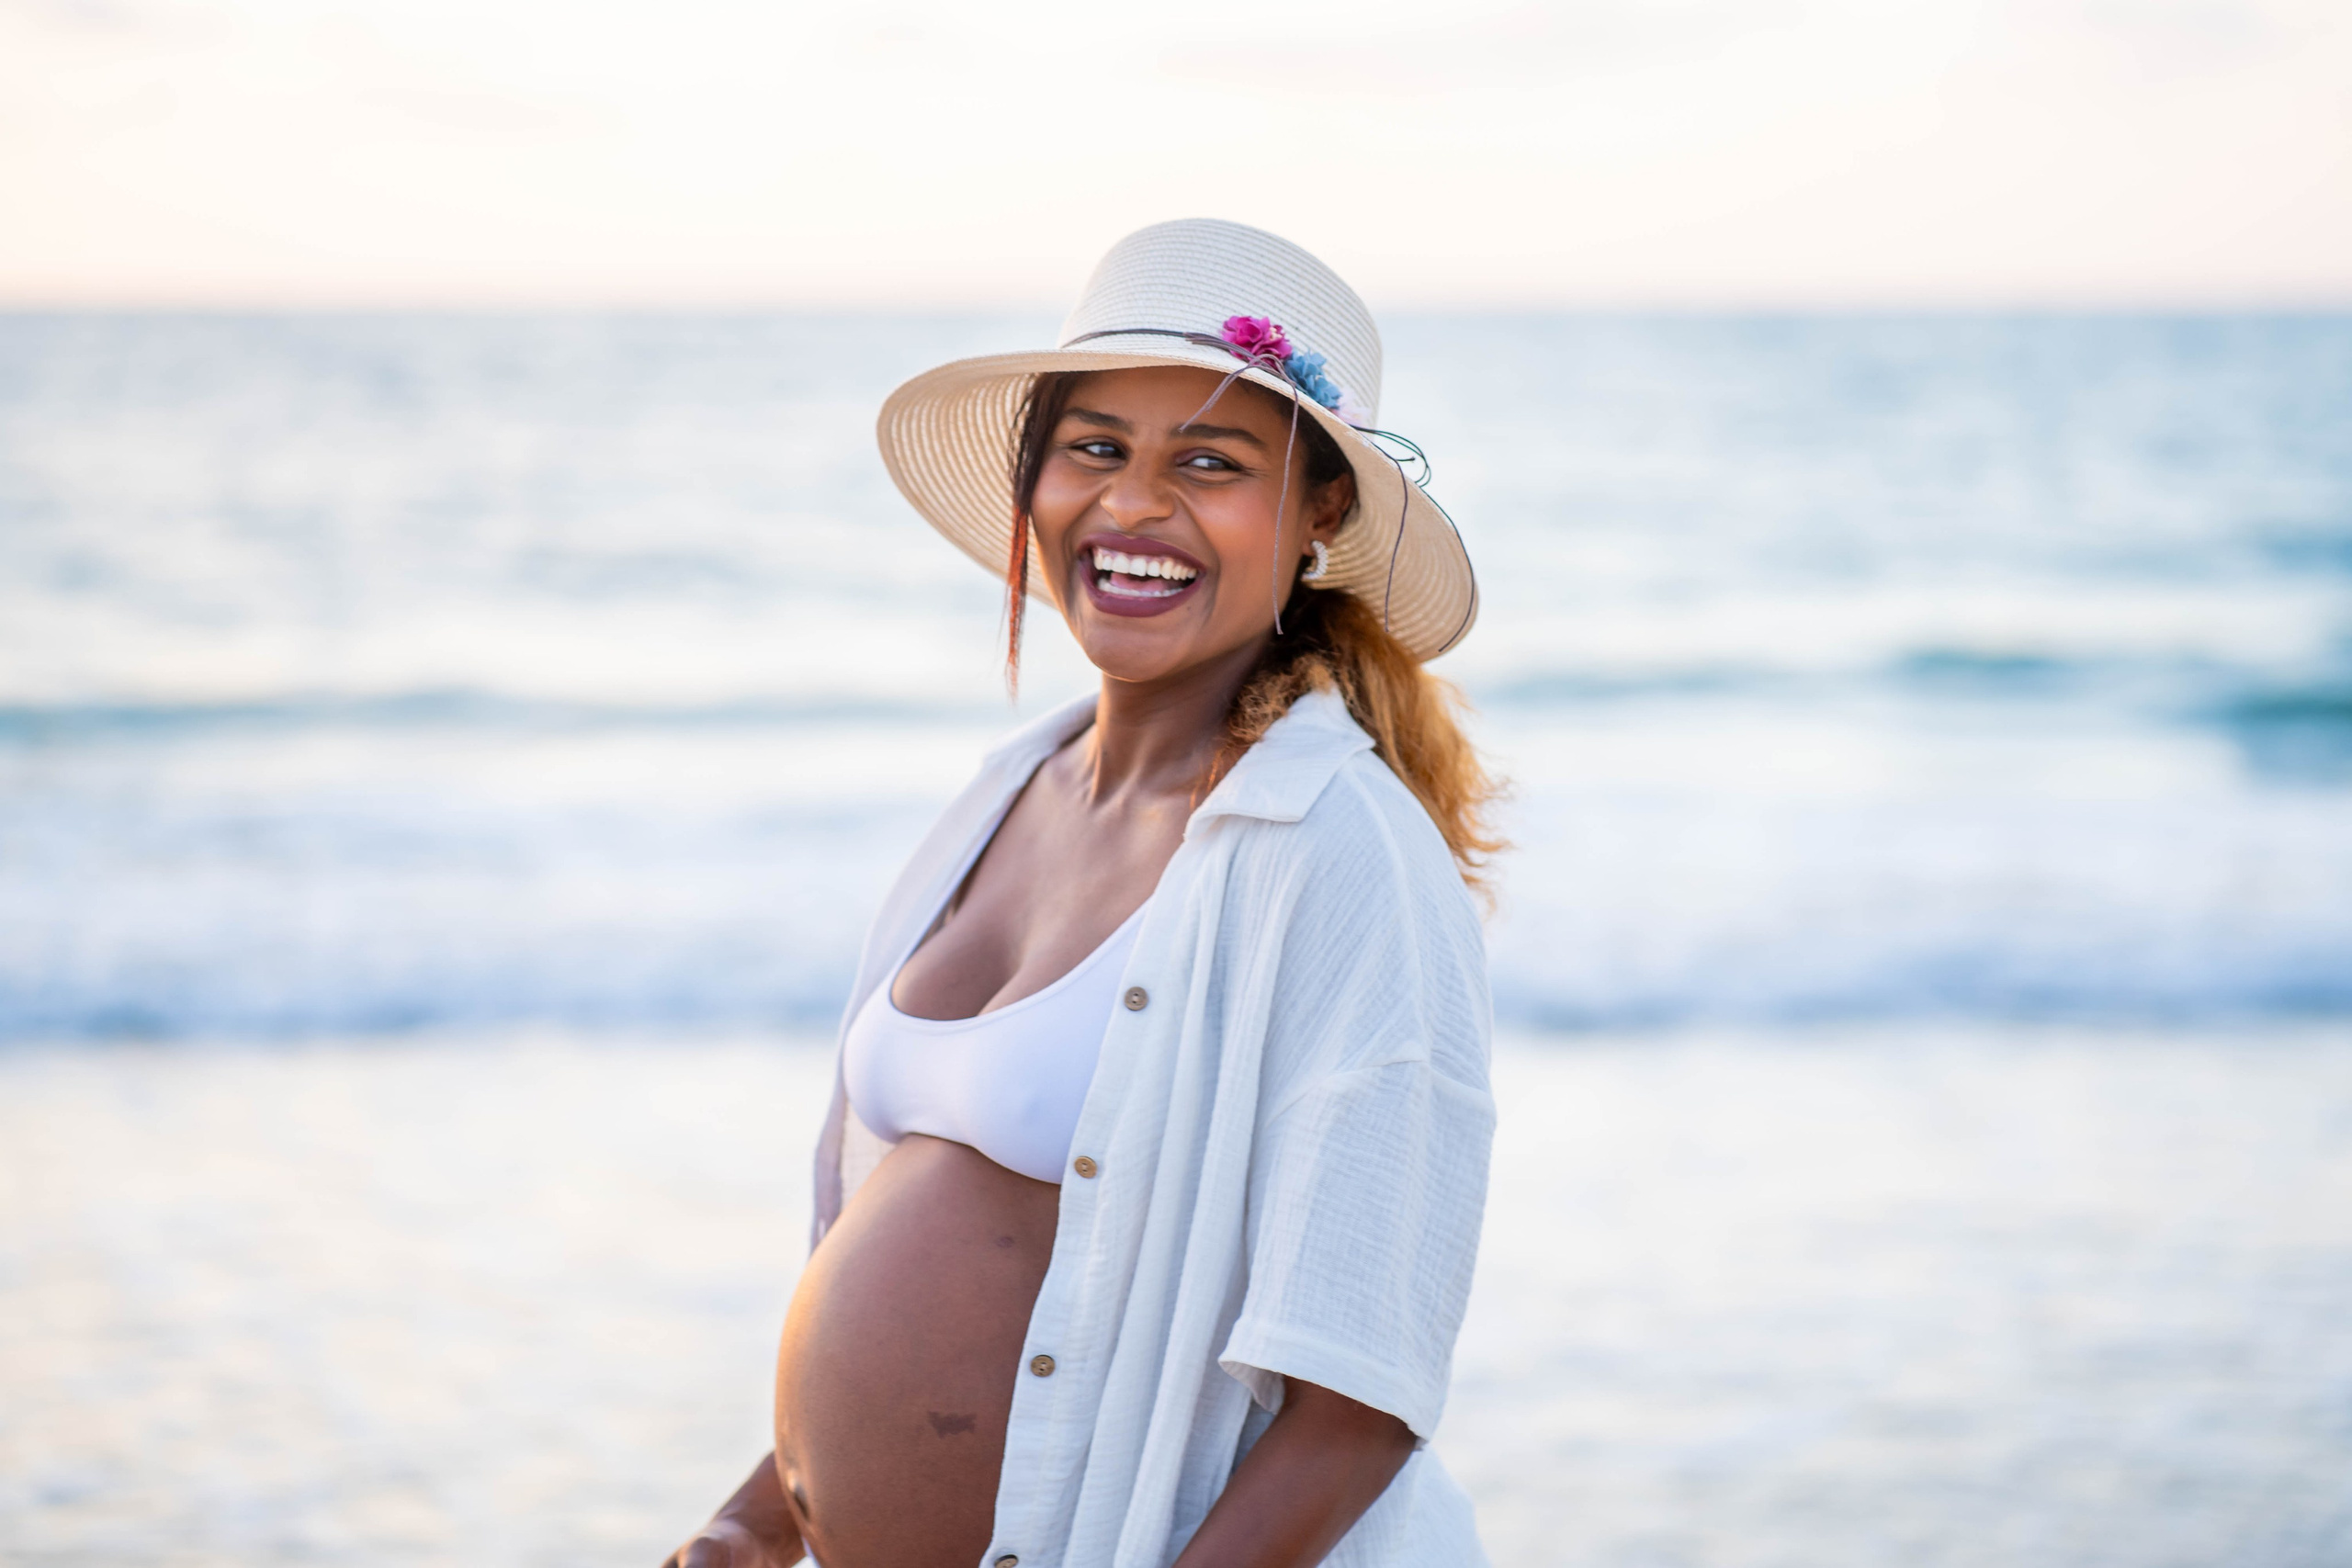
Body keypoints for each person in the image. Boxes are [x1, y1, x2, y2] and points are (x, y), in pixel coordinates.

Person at [664, 218, 1500, 1568]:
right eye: (1095, 449)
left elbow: (1361, 1393)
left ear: (1319, 518)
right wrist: (758, 1521)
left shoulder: (1340, 849)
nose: (1131, 507)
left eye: (1211, 464)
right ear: (1035, 478)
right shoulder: (1004, 790)